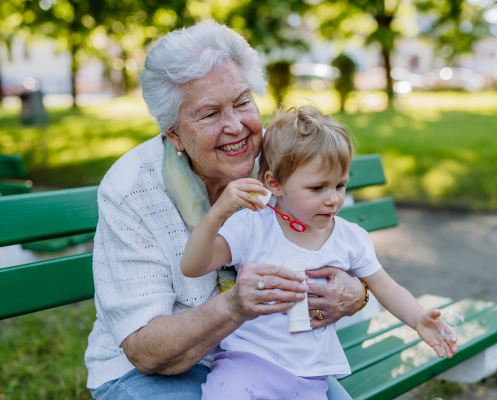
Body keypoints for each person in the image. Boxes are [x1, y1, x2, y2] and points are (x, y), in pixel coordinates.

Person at [85, 21, 367, 400]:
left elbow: (343, 248)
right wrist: (233, 307)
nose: (235, 126)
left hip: (269, 358)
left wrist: (356, 291)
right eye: (209, 113)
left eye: (242, 102)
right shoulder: (131, 189)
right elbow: (143, 349)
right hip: (154, 373)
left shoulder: (278, 162)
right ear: (174, 134)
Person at [180, 106, 459, 399]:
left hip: (311, 377)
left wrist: (418, 319)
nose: (333, 200)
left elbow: (386, 287)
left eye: (340, 185)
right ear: (275, 184)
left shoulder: (350, 238)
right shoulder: (253, 226)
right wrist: (217, 216)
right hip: (249, 366)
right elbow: (194, 265)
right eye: (317, 188)